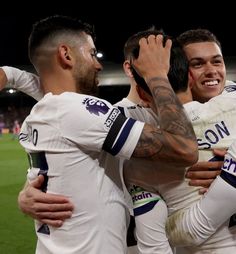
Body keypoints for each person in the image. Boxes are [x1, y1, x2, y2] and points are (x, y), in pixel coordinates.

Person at [8, 15, 198, 254]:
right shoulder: (75, 109)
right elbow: (184, 148)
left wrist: (11, 75)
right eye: (91, 53)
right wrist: (157, 74)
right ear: (66, 55)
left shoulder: (44, 111)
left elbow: (51, 93)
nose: (98, 64)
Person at [122, 28, 236, 254]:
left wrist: (228, 174)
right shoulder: (133, 120)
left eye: (217, 61)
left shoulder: (232, 97)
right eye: (197, 64)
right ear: (187, 74)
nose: (210, 71)